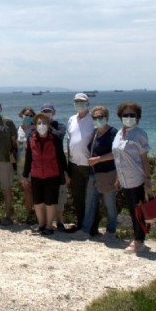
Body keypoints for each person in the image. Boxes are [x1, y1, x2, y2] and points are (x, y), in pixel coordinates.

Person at [112, 102, 152, 253]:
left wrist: (148, 179)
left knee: (138, 211)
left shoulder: (139, 134)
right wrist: (117, 178)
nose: (128, 118)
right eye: (125, 115)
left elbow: (144, 159)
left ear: (137, 117)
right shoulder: (118, 134)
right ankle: (137, 237)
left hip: (136, 179)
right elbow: (118, 157)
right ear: (120, 117)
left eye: (132, 115)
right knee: (131, 210)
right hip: (124, 179)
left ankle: (139, 241)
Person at [22, 113, 70, 236]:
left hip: (52, 175)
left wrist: (65, 172)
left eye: (44, 123)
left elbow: (61, 157)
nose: (41, 125)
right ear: (35, 125)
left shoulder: (55, 139)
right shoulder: (31, 139)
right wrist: (25, 175)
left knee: (50, 202)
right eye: (39, 123)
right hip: (36, 175)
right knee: (37, 202)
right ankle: (41, 225)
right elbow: (28, 158)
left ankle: (49, 226)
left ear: (48, 125)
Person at [82, 106, 119, 238]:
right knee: (90, 202)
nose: (98, 119)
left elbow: (116, 153)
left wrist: (99, 159)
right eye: (95, 117)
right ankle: (85, 230)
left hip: (108, 173)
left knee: (109, 203)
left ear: (106, 117)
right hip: (94, 173)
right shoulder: (95, 132)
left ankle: (111, 231)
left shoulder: (113, 132)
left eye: (100, 117)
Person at [66, 93, 94, 232]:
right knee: (77, 197)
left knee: (91, 197)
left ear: (88, 103)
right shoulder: (71, 120)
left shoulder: (94, 119)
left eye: (82, 102)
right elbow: (68, 141)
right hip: (74, 164)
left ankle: (91, 227)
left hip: (89, 165)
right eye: (76, 102)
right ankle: (80, 224)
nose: (79, 104)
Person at [38, 103, 69, 231]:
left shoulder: (59, 126)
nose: (47, 113)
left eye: (49, 111)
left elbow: (59, 136)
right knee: (46, 195)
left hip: (59, 166)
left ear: (54, 113)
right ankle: (45, 221)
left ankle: (60, 221)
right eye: (44, 111)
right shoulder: (37, 129)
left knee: (60, 195)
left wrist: (48, 126)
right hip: (44, 169)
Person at [17, 107, 36, 222]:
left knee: (35, 190)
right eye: (26, 115)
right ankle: (30, 214)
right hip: (21, 166)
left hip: (34, 165)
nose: (27, 117)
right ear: (21, 115)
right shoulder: (18, 130)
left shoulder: (35, 130)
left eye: (30, 115)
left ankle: (38, 214)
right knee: (27, 190)